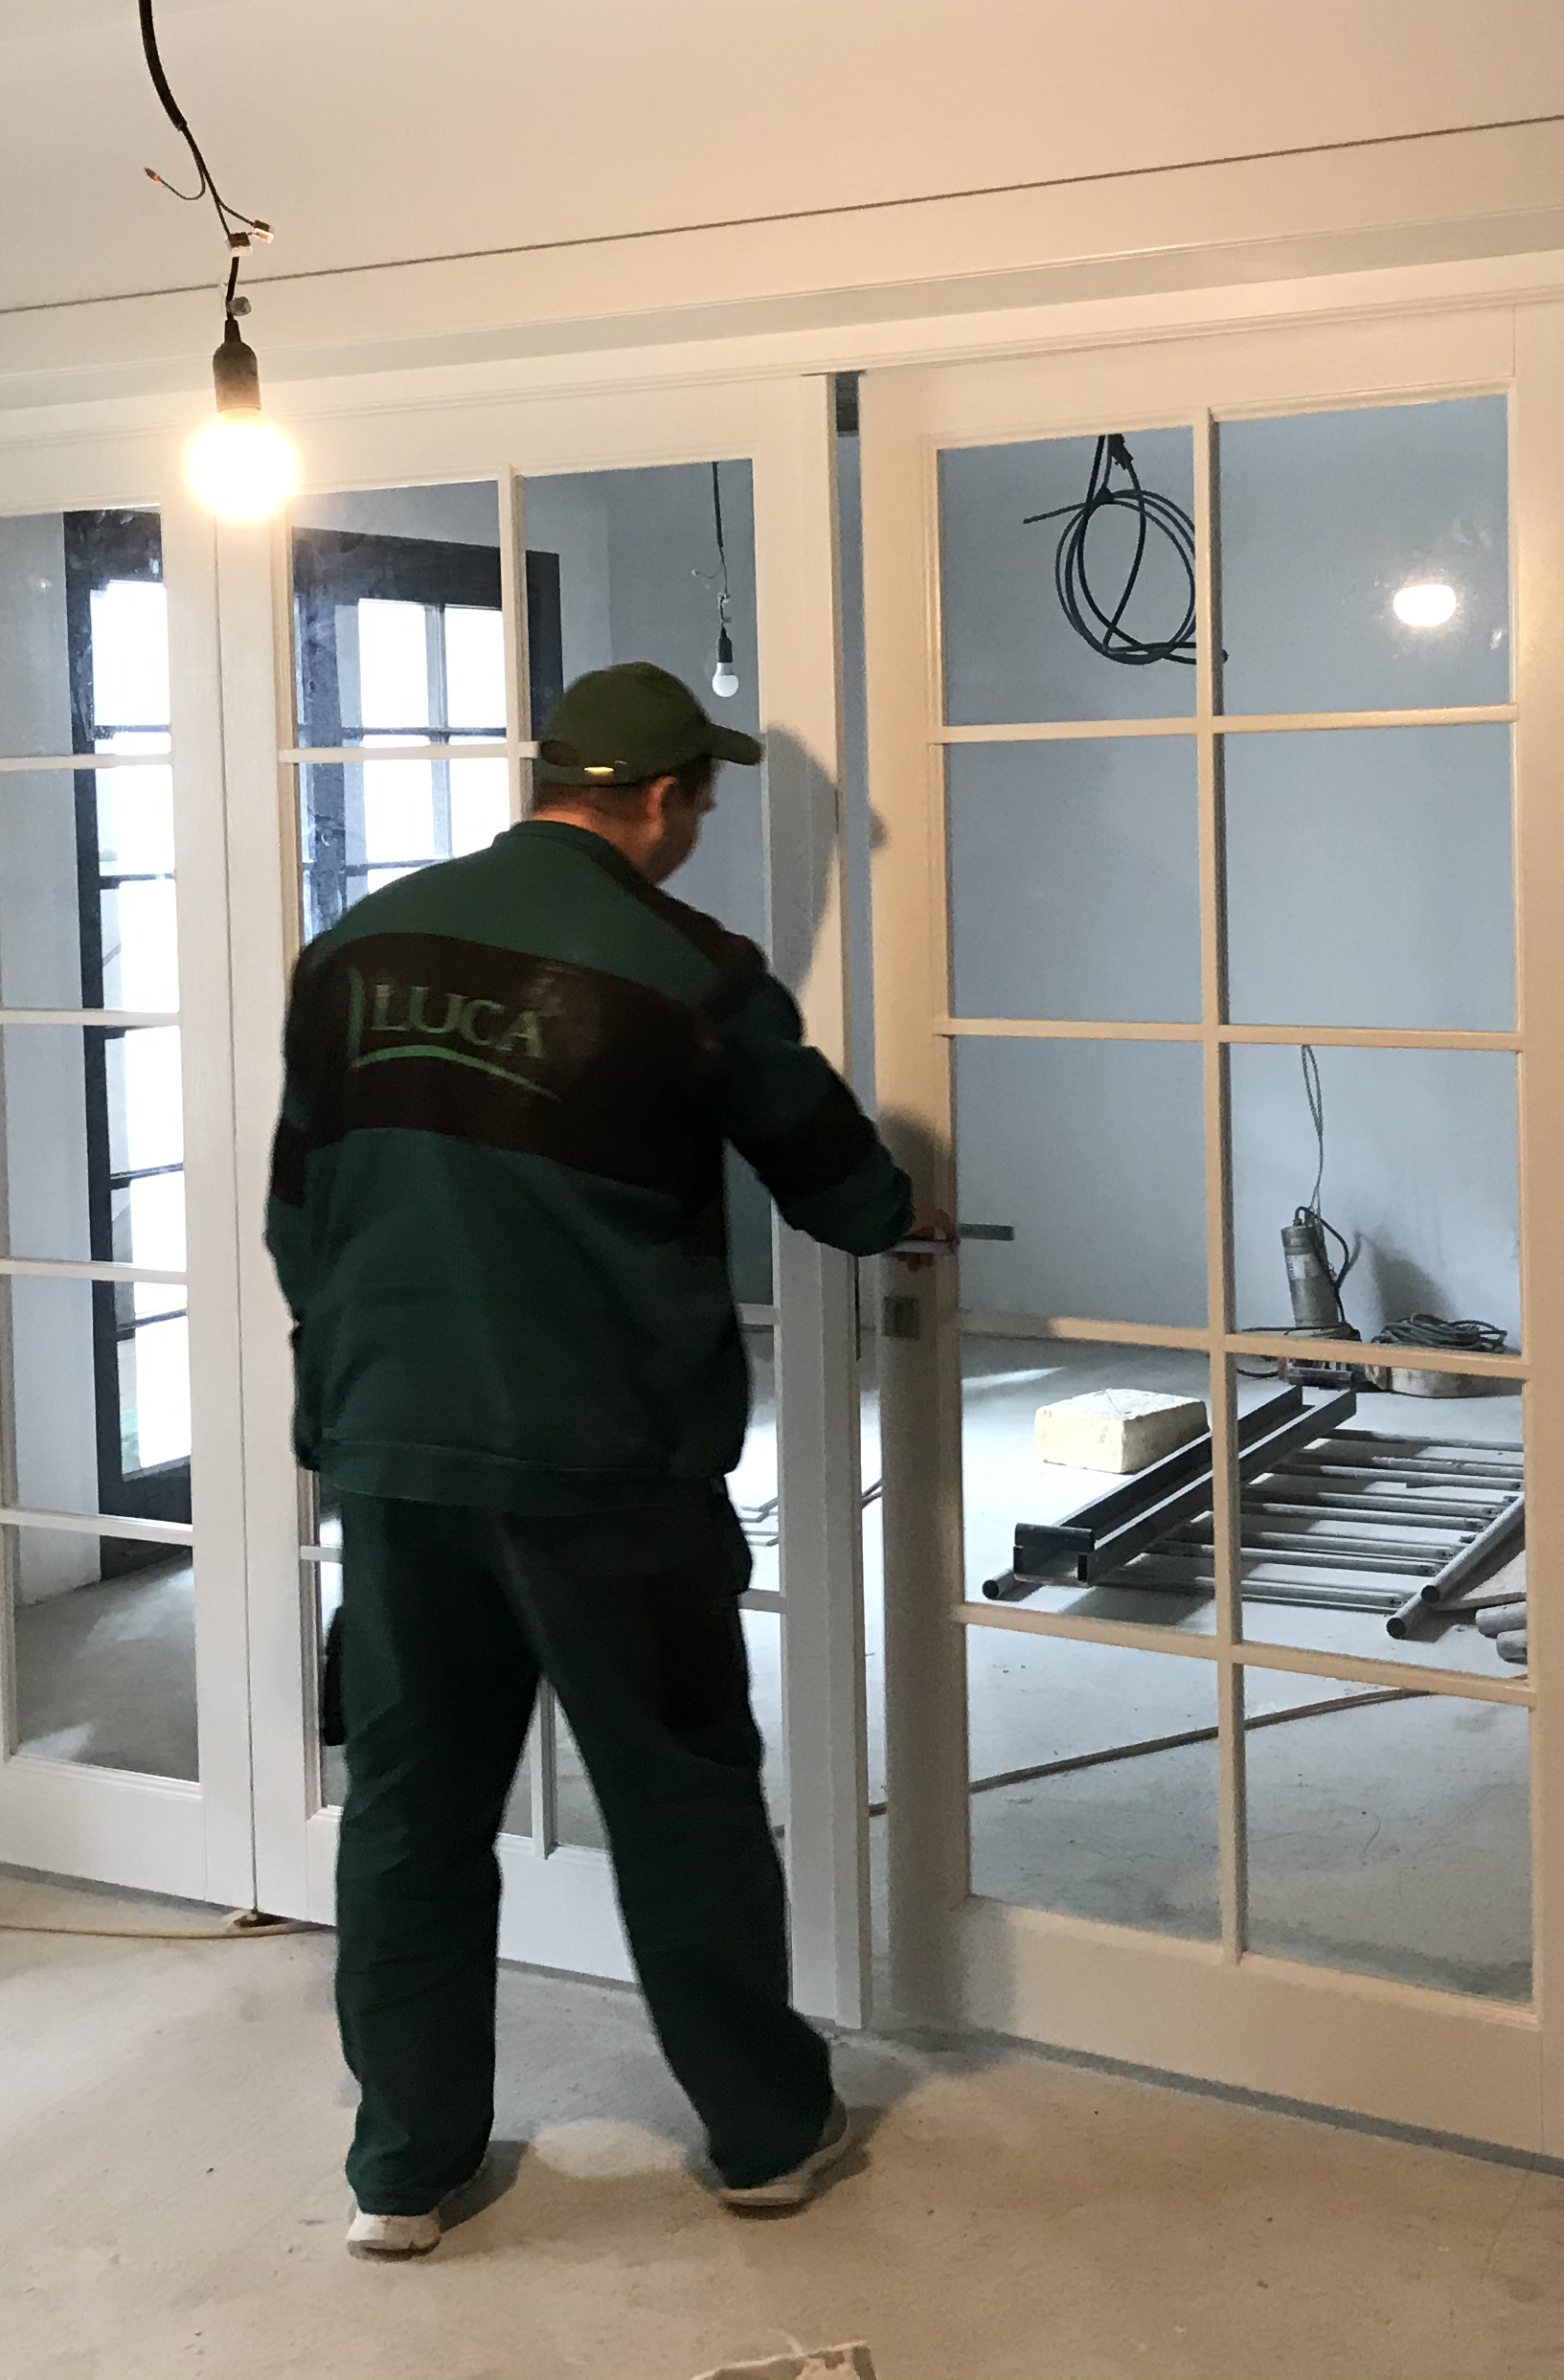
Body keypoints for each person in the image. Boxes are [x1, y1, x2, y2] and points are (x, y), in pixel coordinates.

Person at [267, 658, 947, 2259]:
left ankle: (403, 2172)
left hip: (395, 1449)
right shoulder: (690, 970)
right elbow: (826, 1169)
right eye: (697, 800)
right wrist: (898, 1213)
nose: (694, 825)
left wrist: (356, 1391)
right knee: (680, 1798)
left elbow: (304, 1202)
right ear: (659, 800)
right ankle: (764, 2134)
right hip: (605, 1463)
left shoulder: (355, 947)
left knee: (410, 1809)